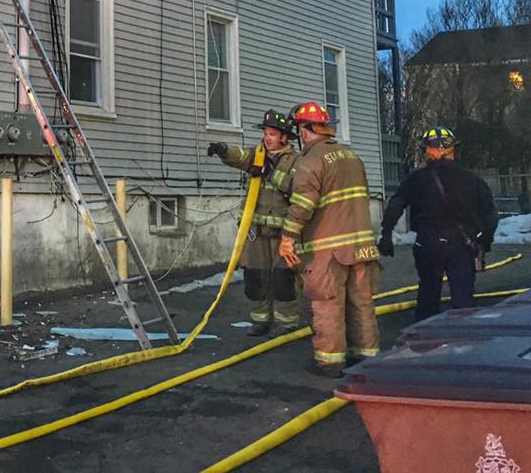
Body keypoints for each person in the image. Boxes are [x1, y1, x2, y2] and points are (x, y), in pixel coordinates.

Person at [278, 102, 380, 378]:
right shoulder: (352, 157)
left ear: (305, 130)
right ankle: (366, 356)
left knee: (328, 304)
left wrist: (287, 238)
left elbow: (302, 205)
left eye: (300, 130)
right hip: (362, 247)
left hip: (329, 250)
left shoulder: (311, 160)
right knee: (361, 303)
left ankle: (330, 362)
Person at [378, 126, 498, 321]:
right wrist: (485, 242)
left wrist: (386, 234)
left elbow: (396, 205)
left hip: (428, 243)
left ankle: (425, 334)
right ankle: (464, 335)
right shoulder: (472, 179)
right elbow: (490, 215)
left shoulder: (417, 179)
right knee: (463, 299)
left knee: (428, 292)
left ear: (431, 150)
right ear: (452, 149)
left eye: (426, 149)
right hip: (461, 244)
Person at [209, 109, 302, 336]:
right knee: (255, 277)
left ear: (284, 137)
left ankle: (287, 324)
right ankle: (261, 321)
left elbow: (297, 187)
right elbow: (241, 157)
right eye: (265, 133)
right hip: (256, 232)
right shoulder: (258, 155)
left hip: (283, 233)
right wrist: (223, 150)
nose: (267, 138)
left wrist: (270, 172)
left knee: (283, 279)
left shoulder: (297, 161)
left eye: (272, 134)